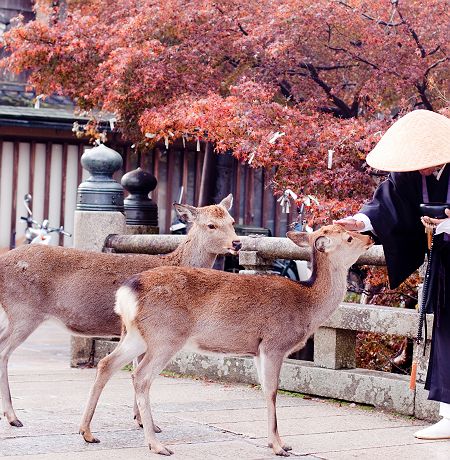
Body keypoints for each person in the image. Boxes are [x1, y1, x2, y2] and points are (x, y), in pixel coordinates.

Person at [335, 109, 450, 439]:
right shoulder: (412, 175)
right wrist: (361, 222)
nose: (420, 167)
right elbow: (387, 205)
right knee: (447, 337)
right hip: (446, 266)